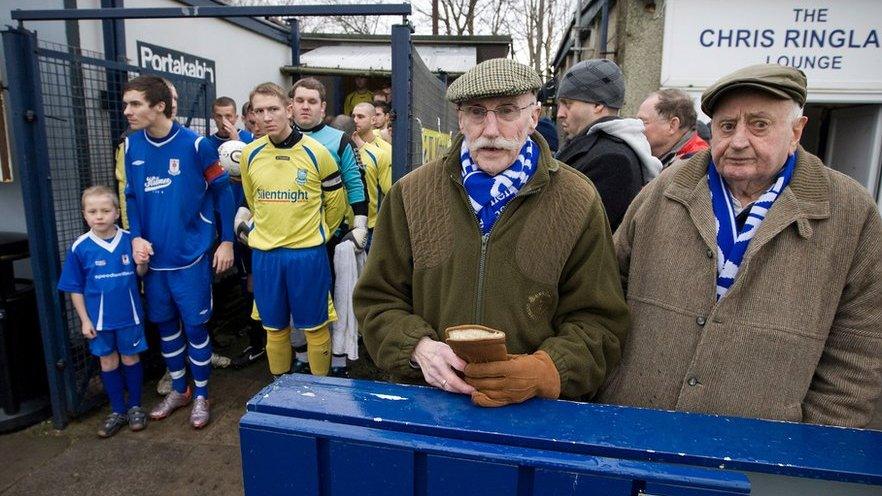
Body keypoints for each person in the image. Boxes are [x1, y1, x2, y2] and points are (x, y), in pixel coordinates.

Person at [598, 64, 882, 428]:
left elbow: (858, 349)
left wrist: (810, 444)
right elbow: (606, 296)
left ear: (796, 131)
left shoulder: (850, 212)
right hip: (636, 428)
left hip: (765, 454)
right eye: (727, 126)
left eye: (759, 125)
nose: (739, 141)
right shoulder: (665, 190)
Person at [353, 58, 629, 407]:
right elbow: (377, 302)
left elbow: (600, 323)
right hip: (427, 403)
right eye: (477, 112)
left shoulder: (576, 199)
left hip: (533, 414)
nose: (491, 129)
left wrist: (545, 370)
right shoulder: (412, 194)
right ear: (461, 119)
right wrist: (417, 347)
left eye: (507, 111)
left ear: (533, 117)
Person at [122, 75, 235, 429]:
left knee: (195, 328)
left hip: (190, 258)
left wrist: (227, 240)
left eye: (135, 104)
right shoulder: (131, 146)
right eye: (126, 104)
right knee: (166, 328)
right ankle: (180, 389)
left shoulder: (196, 145)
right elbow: (133, 198)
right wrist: (136, 238)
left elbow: (223, 191)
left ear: (159, 106)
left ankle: (202, 394)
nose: (127, 111)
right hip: (154, 263)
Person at [239, 82, 347, 378]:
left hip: (307, 256)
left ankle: (321, 389)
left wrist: (316, 234)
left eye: (273, 109)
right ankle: (279, 389)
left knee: (314, 328)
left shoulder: (317, 153)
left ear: (288, 110)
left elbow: (336, 204)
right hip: (266, 257)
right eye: (259, 111)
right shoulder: (250, 154)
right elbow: (252, 200)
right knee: (274, 329)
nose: (266, 117)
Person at [288, 77, 369, 376]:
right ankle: (301, 356)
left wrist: (359, 225)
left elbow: (355, 184)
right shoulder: (274, 141)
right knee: (294, 300)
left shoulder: (339, 140)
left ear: (323, 107)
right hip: (287, 240)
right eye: (300, 100)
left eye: (312, 101)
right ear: (291, 105)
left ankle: (336, 362)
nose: (305, 107)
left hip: (327, 238)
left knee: (332, 300)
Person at [58, 186, 149, 437]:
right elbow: (74, 288)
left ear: (117, 213)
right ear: (85, 215)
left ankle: (135, 407)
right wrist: (84, 320)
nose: (99, 216)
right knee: (108, 362)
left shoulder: (131, 240)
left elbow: (140, 275)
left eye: (105, 210)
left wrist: (142, 263)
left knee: (131, 358)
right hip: (99, 321)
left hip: (129, 316)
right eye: (92, 211)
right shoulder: (80, 247)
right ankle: (117, 410)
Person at [555, 59, 661, 232]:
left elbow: (573, 232)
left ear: (598, 105)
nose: (560, 114)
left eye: (568, 104)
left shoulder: (613, 160)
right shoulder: (597, 148)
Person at [636, 88, 708, 168]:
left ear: (672, 125)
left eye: (643, 121)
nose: (636, 126)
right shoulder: (666, 157)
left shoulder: (695, 165)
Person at [352, 102, 392, 232]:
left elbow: (388, 192)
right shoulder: (343, 147)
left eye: (360, 116)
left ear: (373, 120)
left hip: (371, 225)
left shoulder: (386, 150)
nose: (355, 120)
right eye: (353, 116)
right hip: (344, 224)